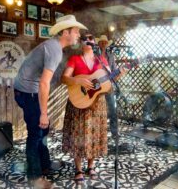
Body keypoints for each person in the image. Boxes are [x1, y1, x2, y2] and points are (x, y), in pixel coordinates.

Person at [13, 15, 87, 188]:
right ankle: (35, 178)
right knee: (36, 134)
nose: (78, 34)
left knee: (43, 131)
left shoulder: (54, 46)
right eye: (75, 31)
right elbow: (44, 83)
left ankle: (44, 165)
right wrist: (44, 113)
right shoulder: (54, 49)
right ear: (65, 32)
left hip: (24, 90)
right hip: (28, 93)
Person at [61, 38, 110, 184]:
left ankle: (90, 166)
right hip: (78, 103)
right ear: (81, 44)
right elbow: (64, 78)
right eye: (85, 39)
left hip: (97, 104)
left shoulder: (101, 60)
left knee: (93, 134)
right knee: (78, 135)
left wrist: (121, 73)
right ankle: (78, 169)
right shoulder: (74, 59)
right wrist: (77, 81)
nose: (89, 41)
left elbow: (109, 79)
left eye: (91, 39)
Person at [96, 35, 119, 137]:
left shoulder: (111, 56)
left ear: (107, 44)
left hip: (109, 85)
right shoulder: (94, 55)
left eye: (105, 42)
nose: (103, 44)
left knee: (113, 109)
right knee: (98, 109)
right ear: (98, 44)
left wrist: (118, 72)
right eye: (101, 42)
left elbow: (114, 70)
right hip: (98, 86)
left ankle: (114, 132)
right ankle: (99, 132)